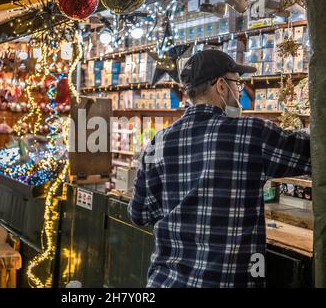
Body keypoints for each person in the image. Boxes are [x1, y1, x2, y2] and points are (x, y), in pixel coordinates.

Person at [128, 49, 311, 288]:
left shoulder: (157, 142)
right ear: (221, 86)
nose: (240, 91)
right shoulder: (251, 133)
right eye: (237, 83)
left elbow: (139, 214)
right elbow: (314, 152)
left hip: (166, 281)